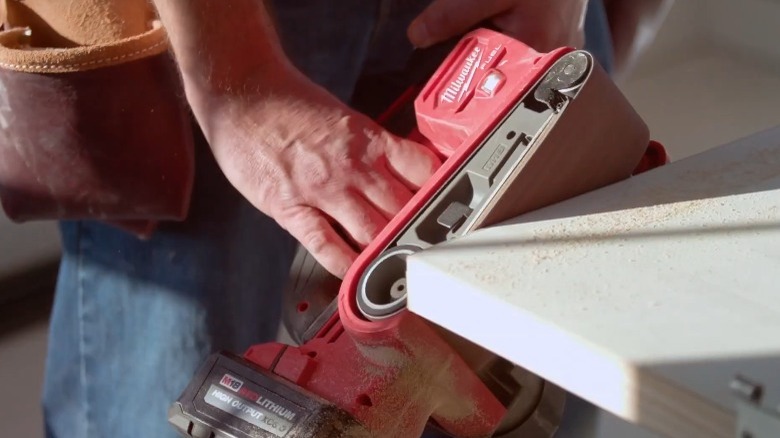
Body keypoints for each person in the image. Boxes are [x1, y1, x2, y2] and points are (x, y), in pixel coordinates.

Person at [41, 1, 672, 437]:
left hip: (501, 21)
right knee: (162, 381)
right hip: (212, 25)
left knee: (549, 371)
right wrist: (238, 80)